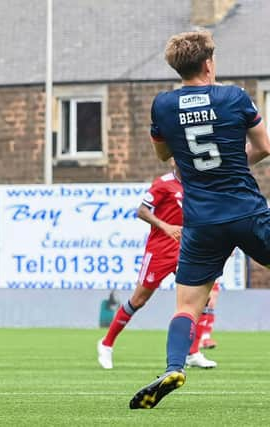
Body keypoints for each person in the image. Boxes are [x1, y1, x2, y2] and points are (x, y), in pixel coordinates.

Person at [129, 30, 270, 409]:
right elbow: (265, 146)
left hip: (201, 221)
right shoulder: (234, 97)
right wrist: (237, 161)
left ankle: (175, 366)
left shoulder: (162, 105)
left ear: (178, 67)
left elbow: (163, 157)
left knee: (187, 307)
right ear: (209, 63)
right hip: (246, 210)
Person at [97, 161, 216, 370]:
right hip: (160, 251)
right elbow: (142, 211)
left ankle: (192, 352)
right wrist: (165, 226)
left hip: (186, 250)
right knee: (139, 299)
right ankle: (106, 344)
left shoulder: (198, 184)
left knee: (201, 298)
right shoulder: (164, 184)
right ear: (173, 160)